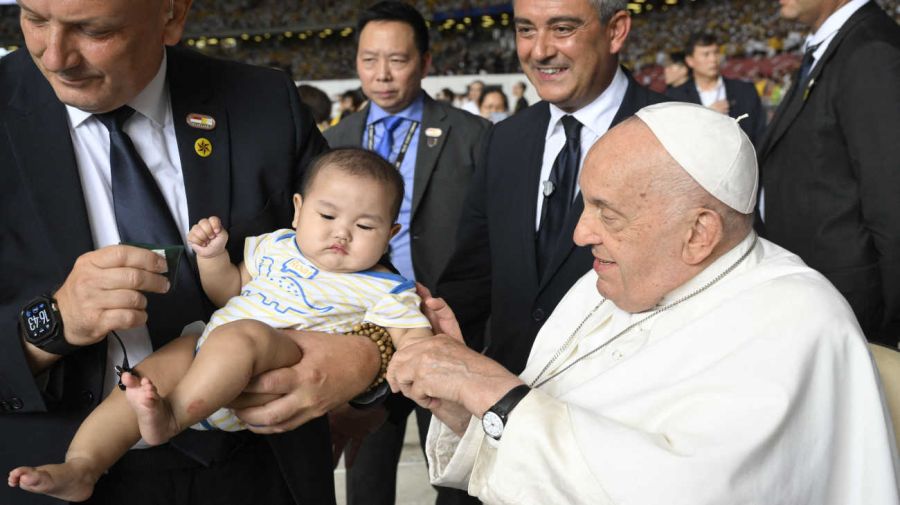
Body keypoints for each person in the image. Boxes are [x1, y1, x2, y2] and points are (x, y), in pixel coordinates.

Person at [389, 102, 900, 504]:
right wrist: (462, 397)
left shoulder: (797, 322)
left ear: (700, 232)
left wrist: (494, 393)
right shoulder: (615, 275)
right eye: (583, 203)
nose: (580, 233)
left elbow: (685, 493)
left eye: (606, 214)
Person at [0, 1, 381, 504]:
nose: (54, 57)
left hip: (264, 468)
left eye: (94, 30)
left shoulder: (265, 102)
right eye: (33, 18)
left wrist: (366, 358)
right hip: (56, 471)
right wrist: (49, 324)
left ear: (172, 15)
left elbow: (366, 263)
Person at [8, 148, 433, 502]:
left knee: (239, 335)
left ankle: (170, 417)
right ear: (299, 209)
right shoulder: (276, 246)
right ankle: (83, 463)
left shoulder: (386, 289)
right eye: (327, 217)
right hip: (208, 353)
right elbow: (227, 292)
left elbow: (414, 346)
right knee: (149, 371)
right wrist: (212, 258)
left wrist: (393, 362)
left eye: (364, 226)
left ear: (391, 232)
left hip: (273, 367)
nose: (342, 233)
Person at [437, 0, 667, 384]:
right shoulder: (505, 140)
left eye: (562, 29)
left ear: (616, 30)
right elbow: (472, 281)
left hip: (628, 407)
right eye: (526, 29)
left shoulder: (677, 135)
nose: (539, 50)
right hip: (510, 408)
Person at [323, 2, 490, 504]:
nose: (382, 74)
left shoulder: (472, 135)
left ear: (425, 62)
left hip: (445, 324)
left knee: (457, 469)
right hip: (362, 330)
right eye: (369, 59)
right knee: (366, 471)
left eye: (397, 60)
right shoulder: (335, 140)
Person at [756, 0, 900, 346]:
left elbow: (892, 203)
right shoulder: (837, 45)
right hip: (821, 298)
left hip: (855, 314)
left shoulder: (871, 51)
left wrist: (890, 330)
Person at [666, 32, 766, 144]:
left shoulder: (745, 90)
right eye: (706, 54)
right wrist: (706, 118)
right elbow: (675, 139)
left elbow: (760, 134)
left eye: (716, 53)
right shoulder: (675, 97)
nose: (713, 59)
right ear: (690, 61)